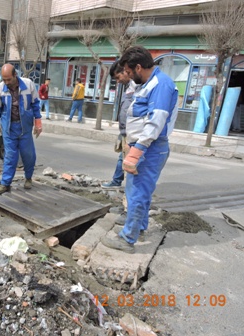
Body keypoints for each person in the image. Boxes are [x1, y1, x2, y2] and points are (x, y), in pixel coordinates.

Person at [101, 46, 178, 254]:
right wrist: (129, 142)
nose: (127, 75)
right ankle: (139, 227)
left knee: (137, 194)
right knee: (137, 191)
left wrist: (135, 152)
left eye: (128, 71)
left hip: (150, 149)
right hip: (142, 146)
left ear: (138, 67)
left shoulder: (160, 85)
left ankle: (127, 239)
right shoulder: (147, 83)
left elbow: (155, 123)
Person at [0, 63, 42, 195]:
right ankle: (5, 184)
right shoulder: (0, 88)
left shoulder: (28, 84)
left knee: (28, 154)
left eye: (9, 79)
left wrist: (38, 122)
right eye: (4, 79)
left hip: (25, 126)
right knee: (10, 156)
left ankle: (28, 178)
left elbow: (35, 104)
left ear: (15, 75)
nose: (6, 82)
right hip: (9, 127)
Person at [101, 61, 137, 189]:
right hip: (126, 131)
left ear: (126, 71)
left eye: (118, 77)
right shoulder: (129, 87)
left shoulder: (138, 87)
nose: (118, 81)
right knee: (123, 157)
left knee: (128, 159)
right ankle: (118, 181)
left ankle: (127, 186)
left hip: (133, 133)